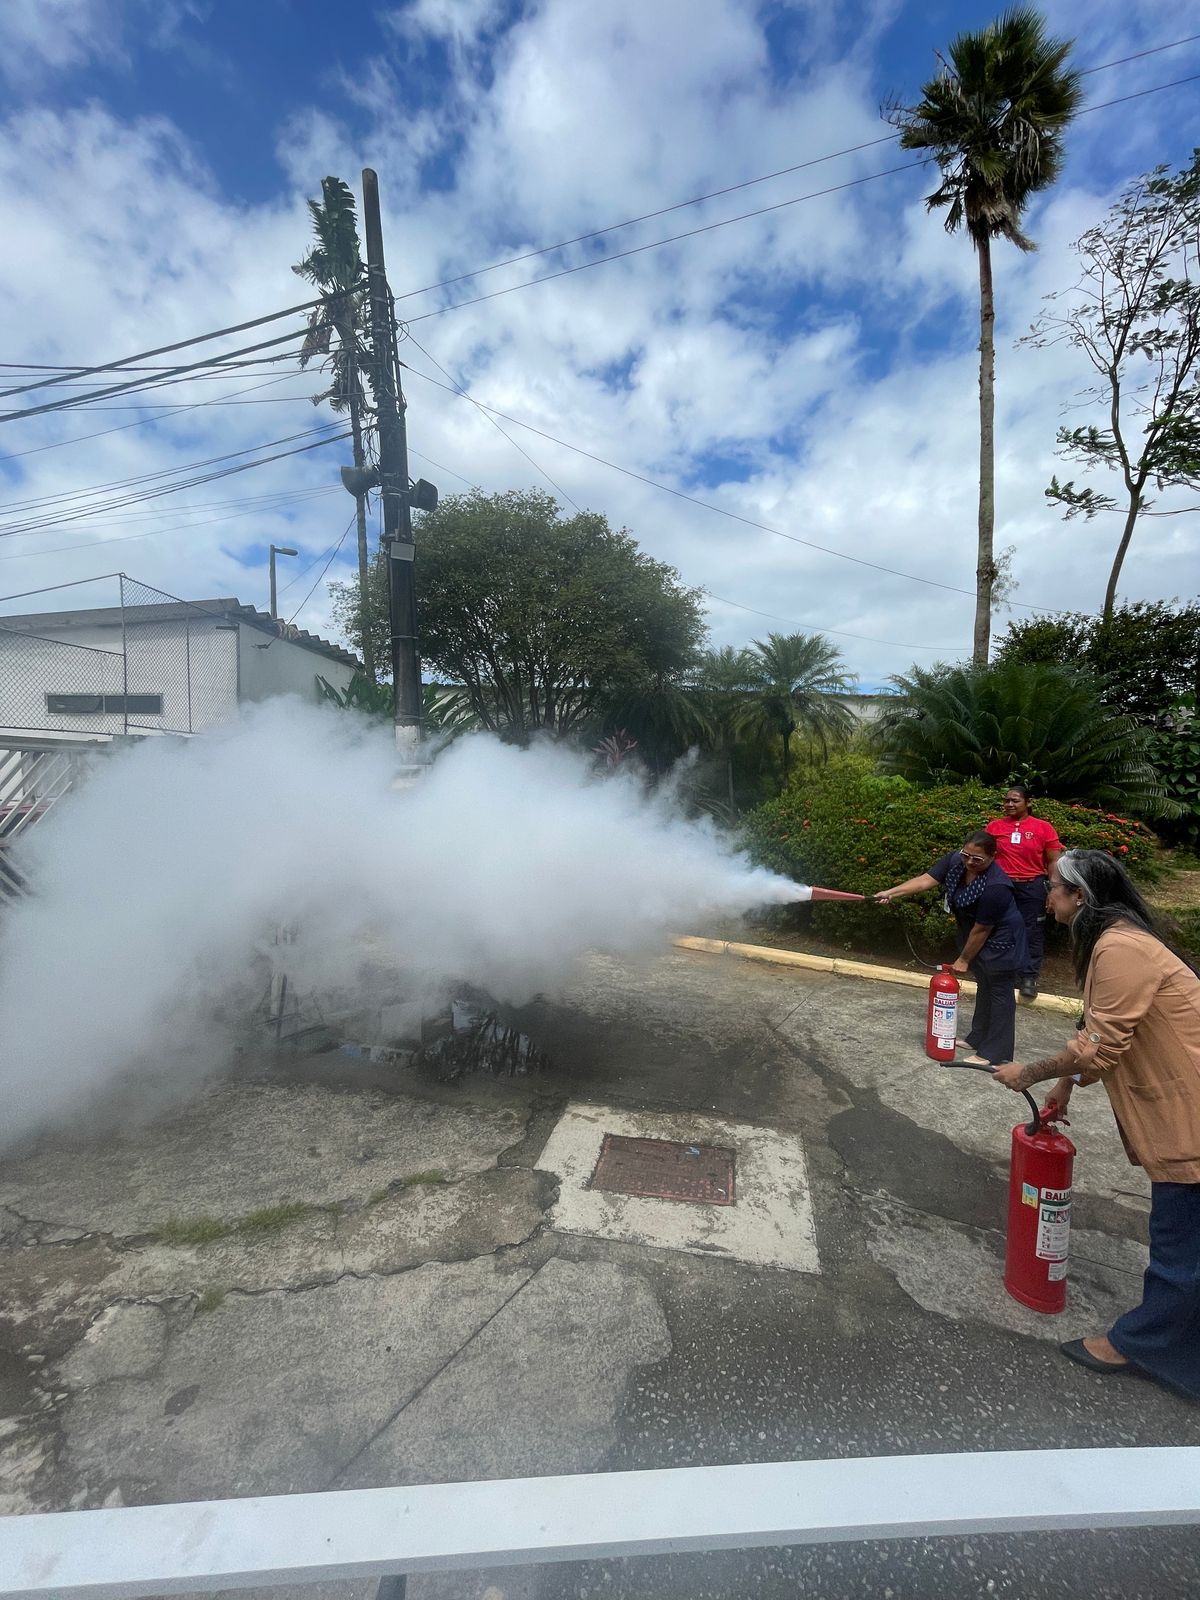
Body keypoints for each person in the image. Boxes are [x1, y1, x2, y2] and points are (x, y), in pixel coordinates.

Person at [993, 849, 1200, 1398]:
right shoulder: (1115, 940)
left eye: (1054, 887)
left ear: (1079, 896)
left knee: (1180, 1241)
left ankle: (1140, 1344)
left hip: (1190, 1113)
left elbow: (1102, 1045)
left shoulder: (1119, 948)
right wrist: (1065, 1085)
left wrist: (1029, 1073)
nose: (1047, 896)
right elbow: (1099, 1027)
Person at [875, 831, 1028, 1066]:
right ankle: (977, 1038)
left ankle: (994, 1053)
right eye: (966, 855)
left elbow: (982, 929)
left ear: (993, 856)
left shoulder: (997, 886)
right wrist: (890, 893)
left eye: (977, 859)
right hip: (976, 934)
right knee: (984, 984)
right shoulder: (955, 861)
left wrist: (964, 959)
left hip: (1001, 939)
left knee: (999, 991)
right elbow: (925, 880)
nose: (969, 862)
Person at [985, 785, 1062, 1001]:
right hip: (1002, 886)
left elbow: (1053, 861)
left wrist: (1054, 890)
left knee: (1032, 932)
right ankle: (999, 972)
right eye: (1007, 800)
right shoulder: (994, 827)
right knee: (998, 928)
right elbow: (984, 854)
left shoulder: (1043, 828)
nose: (1009, 804)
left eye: (1015, 800)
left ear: (1028, 802)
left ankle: (1028, 977)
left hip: (1032, 887)